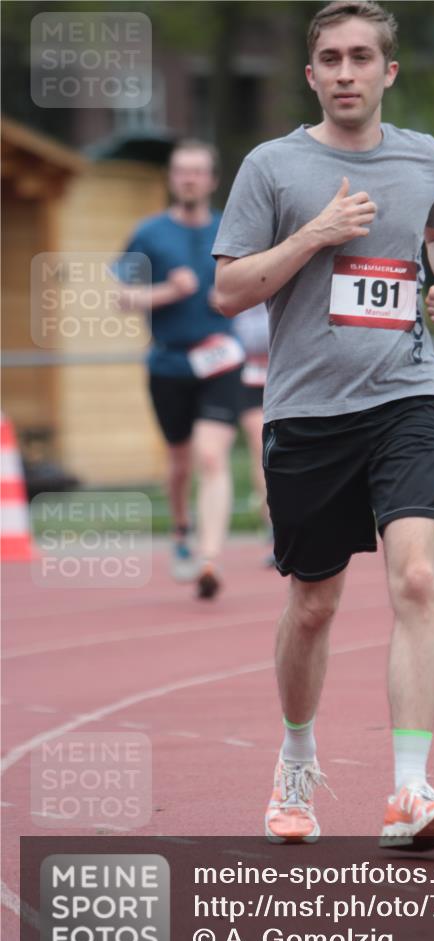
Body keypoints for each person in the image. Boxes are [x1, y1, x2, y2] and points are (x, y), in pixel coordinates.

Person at [212, 0, 434, 848]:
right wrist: (315, 234)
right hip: (309, 413)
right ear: (312, 74)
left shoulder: (424, 158)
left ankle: (409, 792)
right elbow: (231, 289)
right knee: (315, 604)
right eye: (331, 58)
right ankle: (295, 762)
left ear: (388, 72)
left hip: (405, 396)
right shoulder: (272, 168)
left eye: (363, 57)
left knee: (418, 581)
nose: (348, 72)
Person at [117, 139, 244, 600]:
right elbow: (122, 297)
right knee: (179, 463)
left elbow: (259, 284)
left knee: (211, 456)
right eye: (181, 171)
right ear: (172, 179)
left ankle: (209, 559)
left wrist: (233, 297)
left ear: (212, 180)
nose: (189, 179)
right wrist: (167, 292)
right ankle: (180, 529)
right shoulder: (148, 234)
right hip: (168, 360)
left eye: (197, 172)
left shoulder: (231, 230)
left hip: (220, 357)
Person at [234, 303, 276, 567]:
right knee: (262, 447)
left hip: (287, 370)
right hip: (249, 374)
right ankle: (273, 525)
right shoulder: (231, 265)